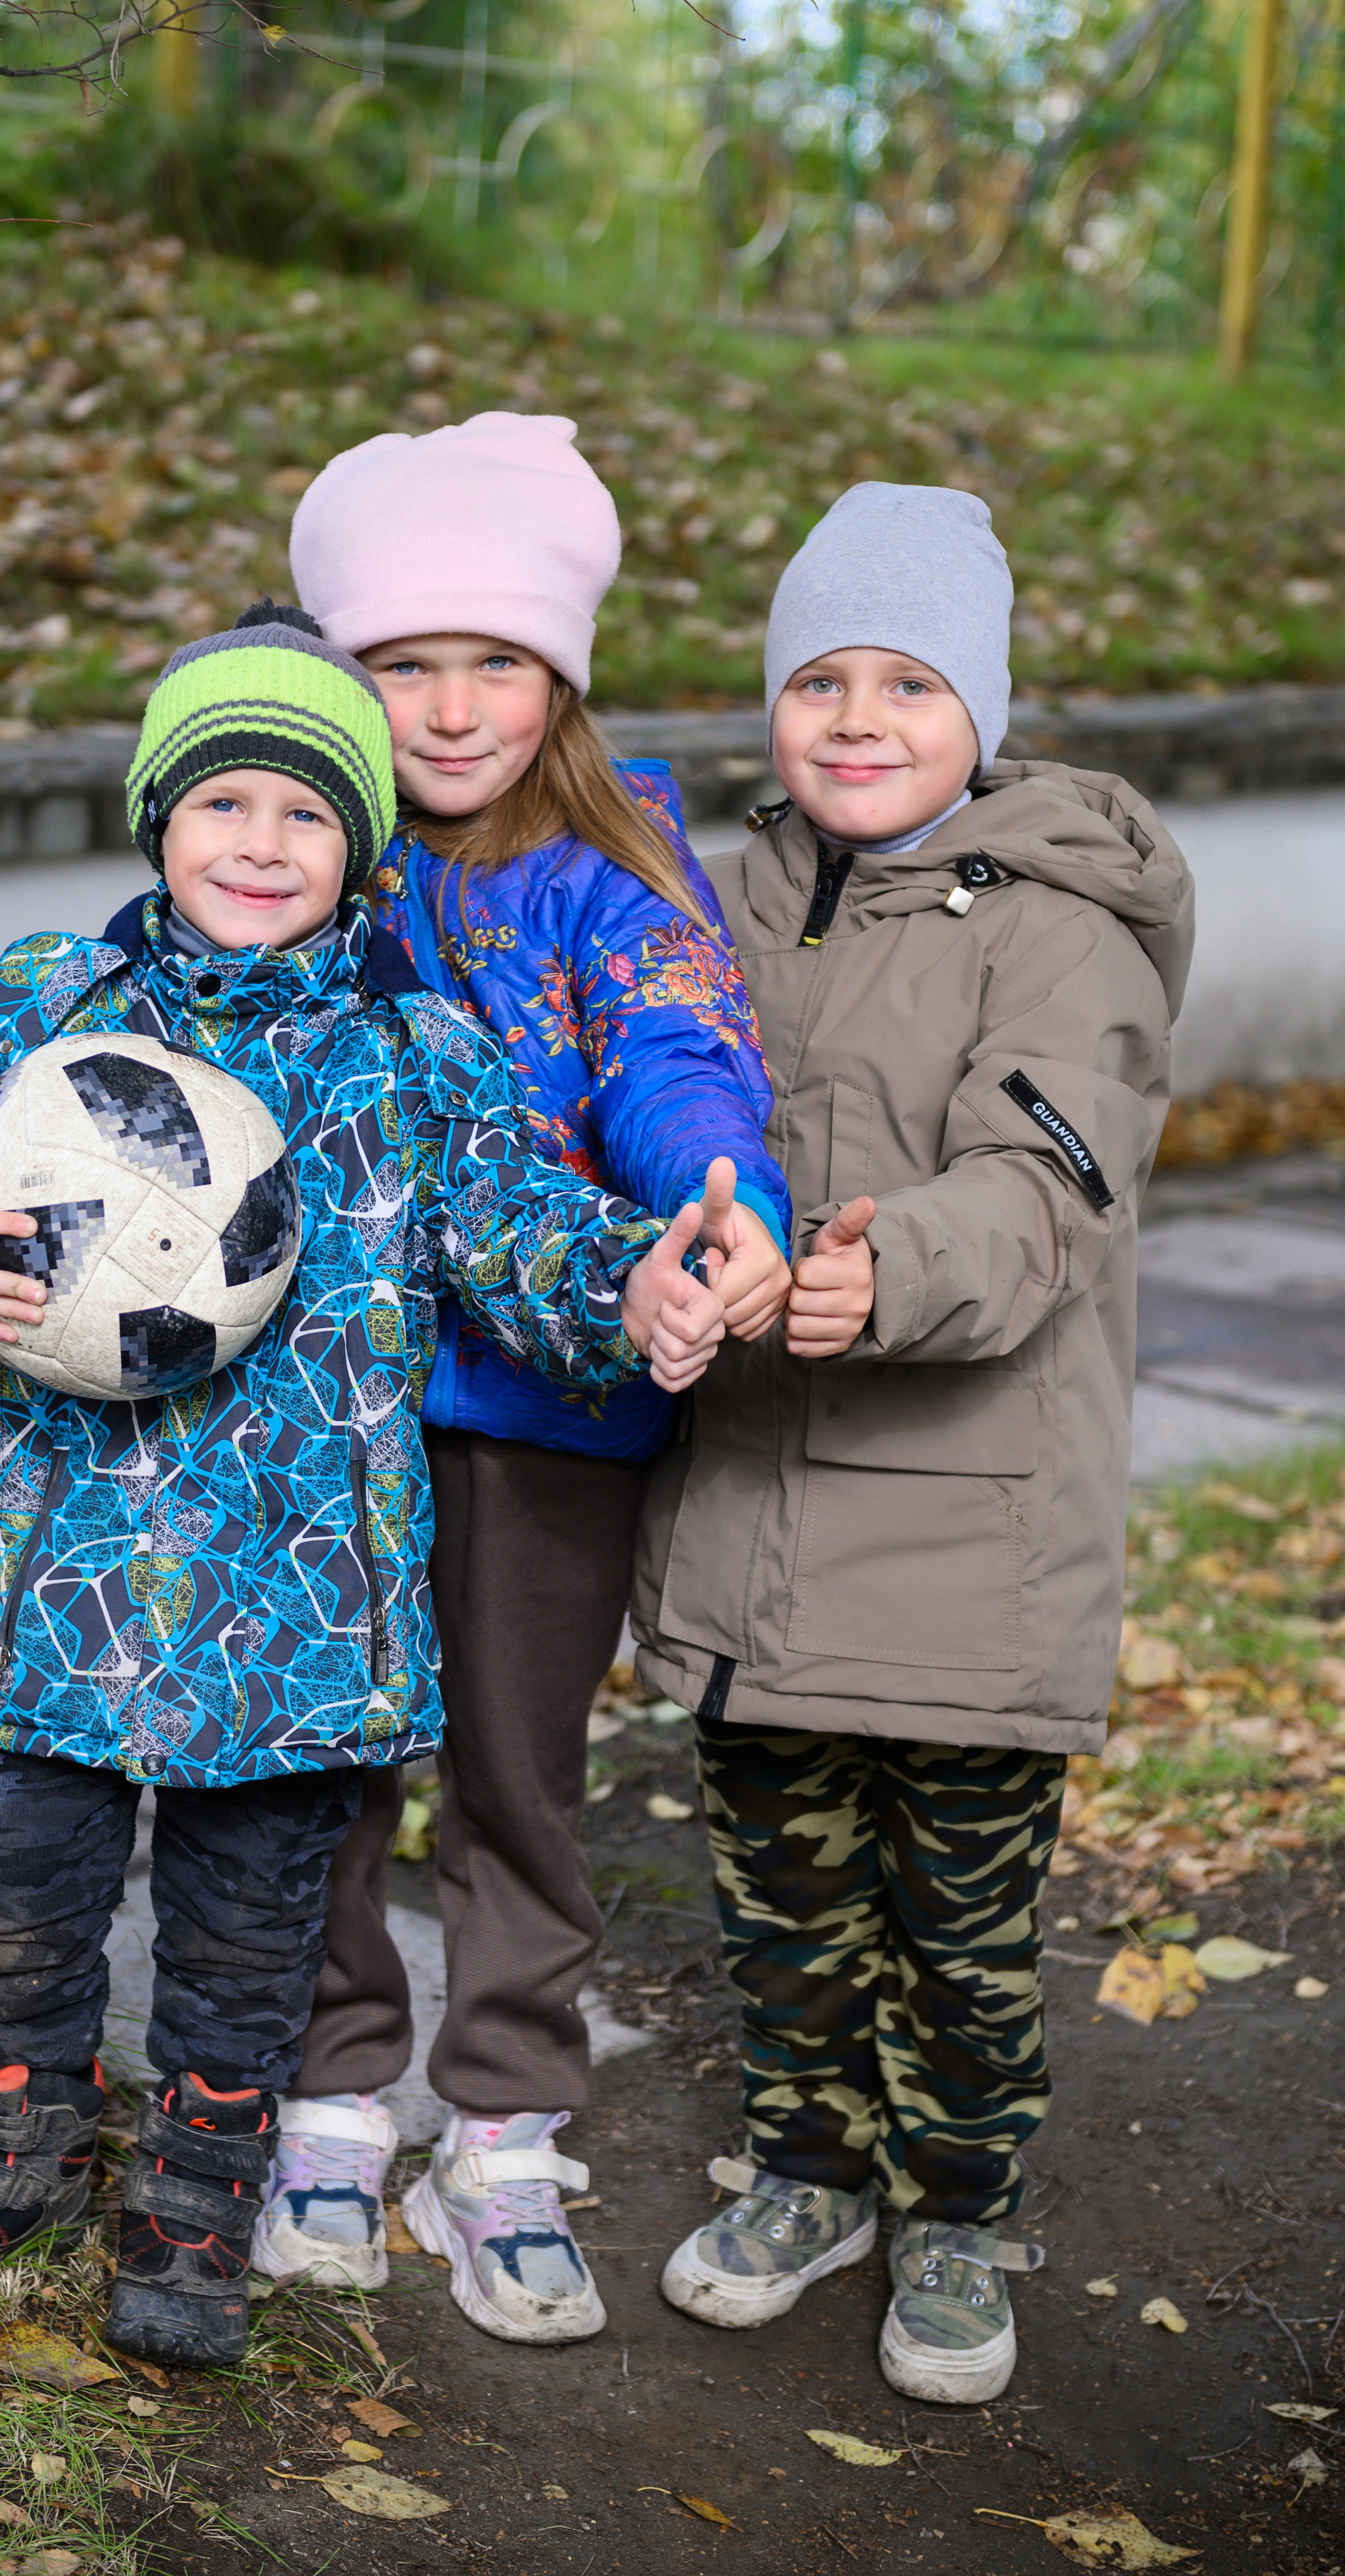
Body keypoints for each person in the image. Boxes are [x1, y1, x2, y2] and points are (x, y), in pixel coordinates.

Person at [0, 606, 735, 2370]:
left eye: (306, 814)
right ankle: (2, 2156)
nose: (262, 844)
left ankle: (202, 2206)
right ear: (158, 823)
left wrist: (643, 1289)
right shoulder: (55, 1012)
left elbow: (533, 1243)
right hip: (60, 1577)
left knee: (245, 1940)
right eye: (223, 805)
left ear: (358, 852)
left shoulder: (412, 1062)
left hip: (297, 1621)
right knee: (11, 1894)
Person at [635, 483, 1194, 2403]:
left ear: (986, 710)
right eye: (817, 679)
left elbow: (1046, 1184)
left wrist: (893, 1265)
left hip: (970, 1535)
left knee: (958, 1927)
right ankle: (807, 2171)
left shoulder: (1059, 927)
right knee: (780, 1896)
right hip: (745, 1511)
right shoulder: (718, 900)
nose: (857, 718)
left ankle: (959, 2209)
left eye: (908, 682)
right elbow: (649, 1112)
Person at [255, 413, 793, 2347]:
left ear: (559, 672)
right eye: (408, 663)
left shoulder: (611, 870)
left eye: (495, 660)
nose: (455, 704)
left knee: (513, 1778)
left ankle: (499, 2126)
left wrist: (720, 1202)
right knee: (313, 1766)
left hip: (550, 1416)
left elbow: (675, 1059)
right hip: (316, 1418)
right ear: (346, 675)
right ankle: (323, 2098)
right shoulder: (303, 854)